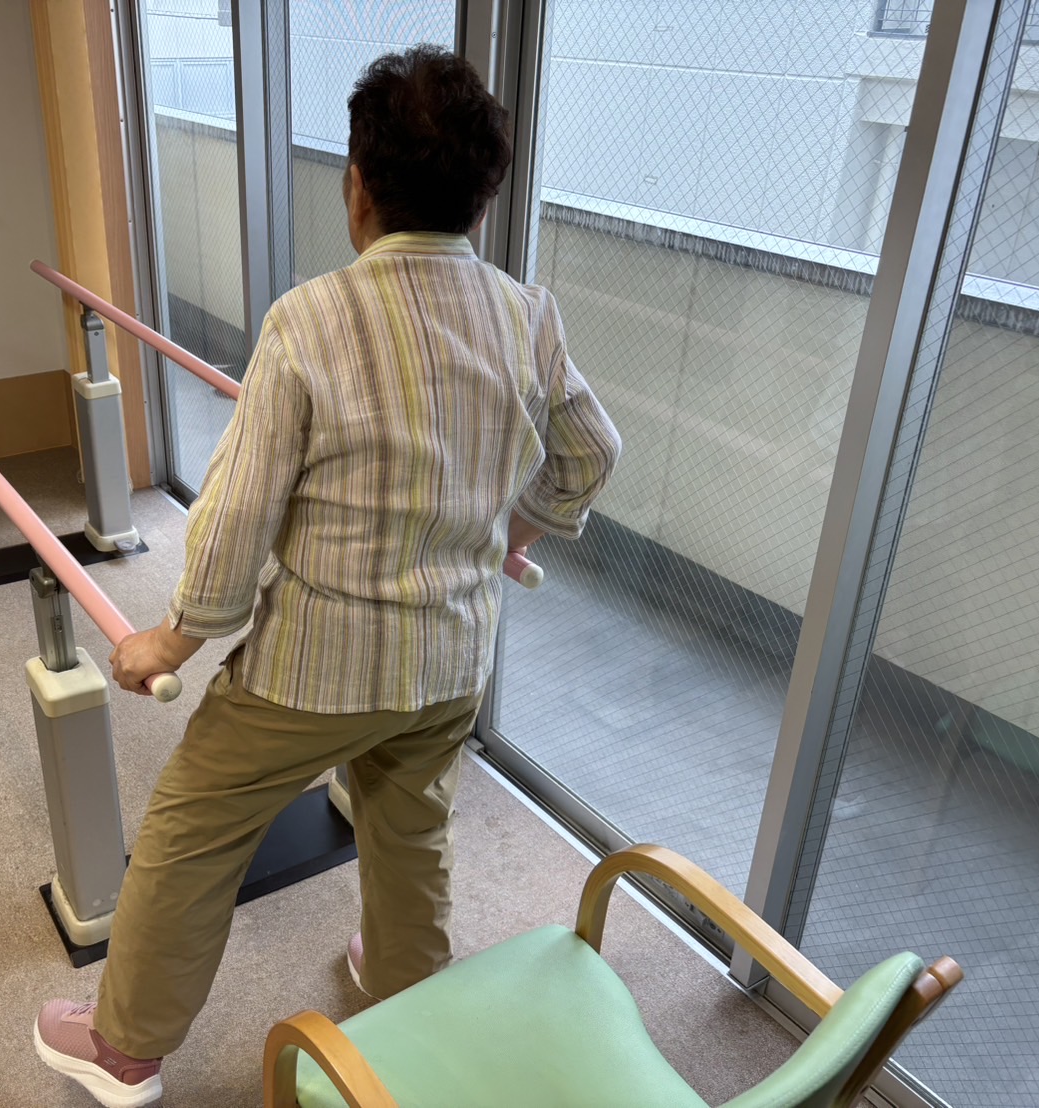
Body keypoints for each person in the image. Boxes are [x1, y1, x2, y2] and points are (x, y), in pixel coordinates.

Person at [33, 44, 621, 1107]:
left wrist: (175, 635)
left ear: (356, 188)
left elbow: (237, 511)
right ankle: (406, 999)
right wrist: (517, 526)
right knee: (410, 826)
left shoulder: (308, 320)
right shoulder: (525, 315)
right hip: (449, 660)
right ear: (483, 199)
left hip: (314, 671)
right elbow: (591, 453)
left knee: (191, 827)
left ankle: (122, 1048)